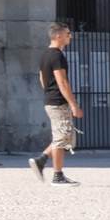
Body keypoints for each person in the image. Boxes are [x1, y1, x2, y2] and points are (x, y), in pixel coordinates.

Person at [31, 20, 82, 186]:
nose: (70, 36)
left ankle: (41, 160)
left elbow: (41, 78)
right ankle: (57, 176)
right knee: (61, 139)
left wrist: (48, 93)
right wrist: (74, 105)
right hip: (58, 102)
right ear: (58, 35)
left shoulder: (45, 54)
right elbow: (62, 82)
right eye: (68, 34)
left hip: (51, 100)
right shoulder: (57, 55)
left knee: (64, 136)